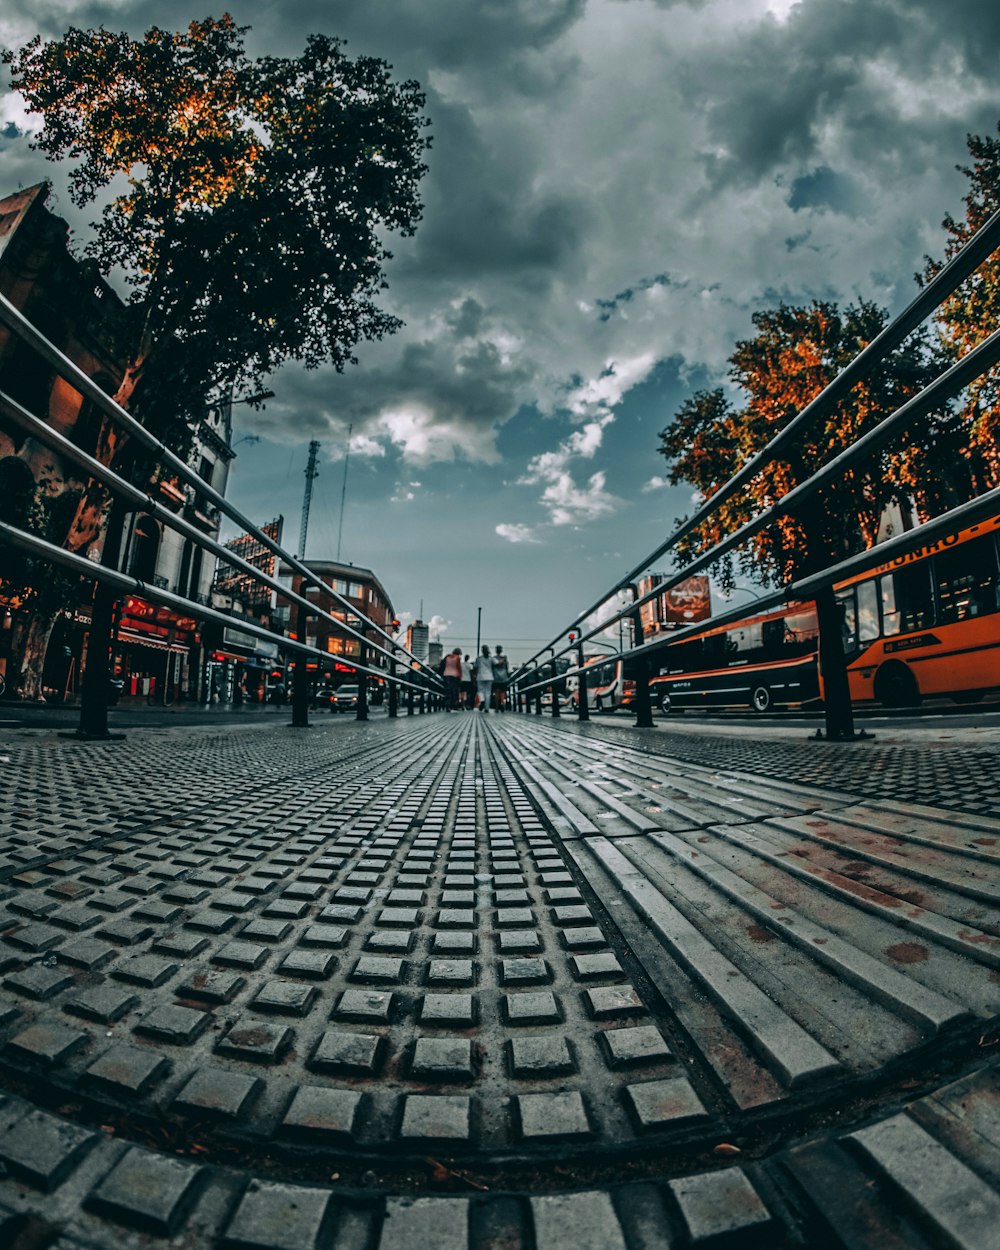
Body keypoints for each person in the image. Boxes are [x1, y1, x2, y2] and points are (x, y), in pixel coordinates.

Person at [473, 644, 494, 711]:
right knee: (488, 692)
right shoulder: (491, 658)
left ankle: (482, 700)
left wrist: (474, 676)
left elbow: (475, 667)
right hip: (489, 676)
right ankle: (487, 708)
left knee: (480, 691)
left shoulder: (478, 659)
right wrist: (503, 660)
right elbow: (497, 663)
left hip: (480, 676)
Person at [492, 645, 510, 711]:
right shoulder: (504, 658)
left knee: (496, 692)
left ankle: (496, 706)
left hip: (496, 677)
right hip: (503, 677)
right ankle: (502, 703)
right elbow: (506, 667)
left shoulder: (493, 658)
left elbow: (492, 667)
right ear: (501, 650)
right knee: (502, 692)